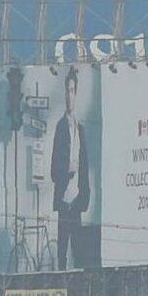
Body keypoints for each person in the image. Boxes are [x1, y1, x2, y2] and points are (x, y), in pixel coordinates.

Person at [48, 66, 94, 271]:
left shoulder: (80, 129)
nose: (69, 96)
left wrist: (84, 197)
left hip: (77, 200)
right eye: (67, 91)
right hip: (64, 199)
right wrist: (67, 170)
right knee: (62, 250)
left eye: (73, 91)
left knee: (78, 247)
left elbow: (85, 167)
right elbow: (53, 170)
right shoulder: (60, 127)